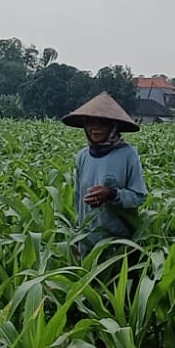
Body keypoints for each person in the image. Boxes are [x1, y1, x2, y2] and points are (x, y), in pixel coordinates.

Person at [63, 92, 148, 254]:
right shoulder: (83, 156)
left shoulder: (128, 155)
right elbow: (78, 199)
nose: (95, 127)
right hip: (87, 240)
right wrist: (78, 234)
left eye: (102, 122)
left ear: (113, 126)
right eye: (90, 122)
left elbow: (139, 196)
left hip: (118, 242)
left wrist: (111, 194)